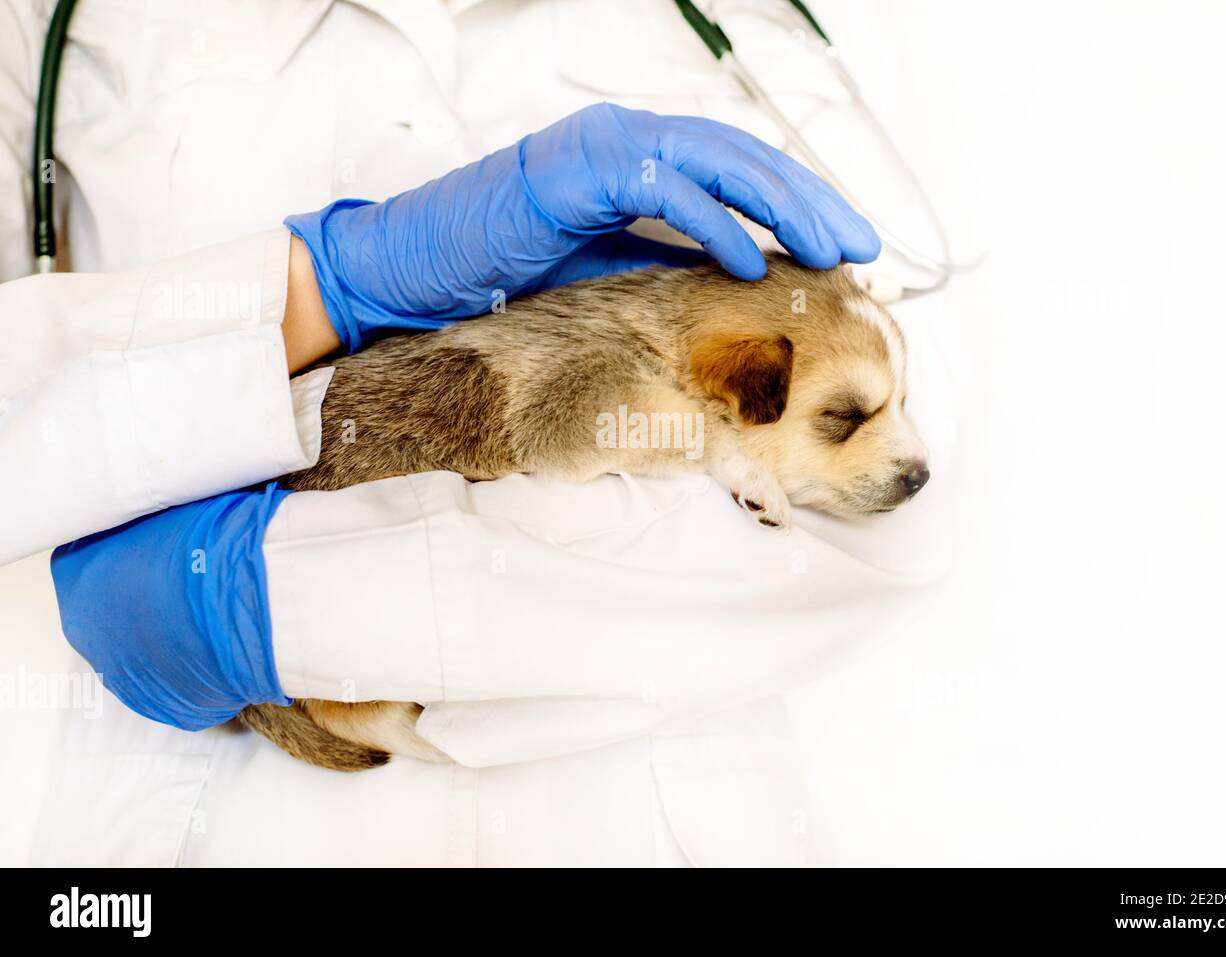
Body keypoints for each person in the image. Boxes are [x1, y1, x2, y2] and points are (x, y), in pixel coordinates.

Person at [0, 0, 946, 866]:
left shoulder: (788, 28)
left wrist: (269, 598)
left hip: (639, 820)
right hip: (211, 819)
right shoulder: (46, 22)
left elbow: (845, 534)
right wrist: (318, 283)